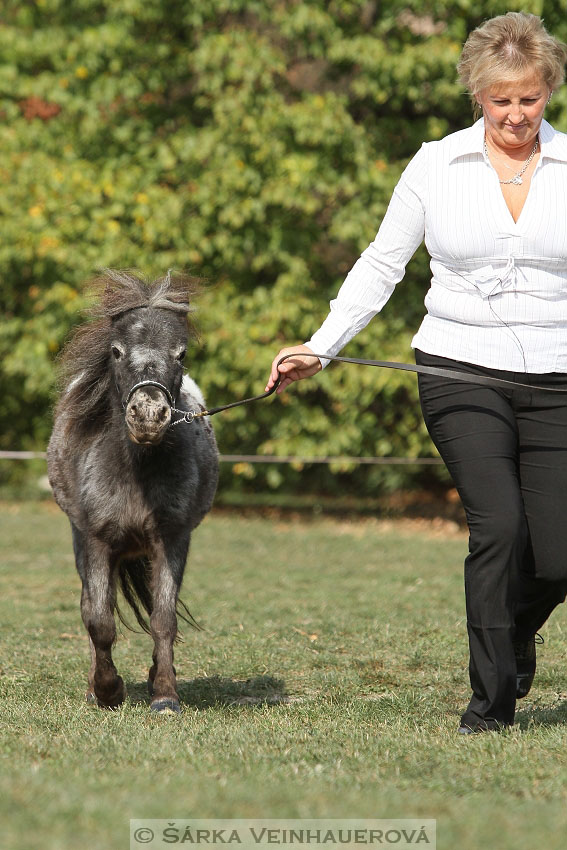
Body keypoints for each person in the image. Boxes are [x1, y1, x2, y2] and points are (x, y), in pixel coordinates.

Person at [265, 12, 567, 734]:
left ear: (547, 91)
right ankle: (488, 707)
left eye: (528, 99)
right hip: (459, 368)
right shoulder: (435, 164)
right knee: (496, 529)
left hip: (557, 377)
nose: (515, 115)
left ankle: (512, 629)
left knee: (556, 556)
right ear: (476, 95)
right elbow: (381, 264)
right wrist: (322, 344)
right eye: (500, 101)